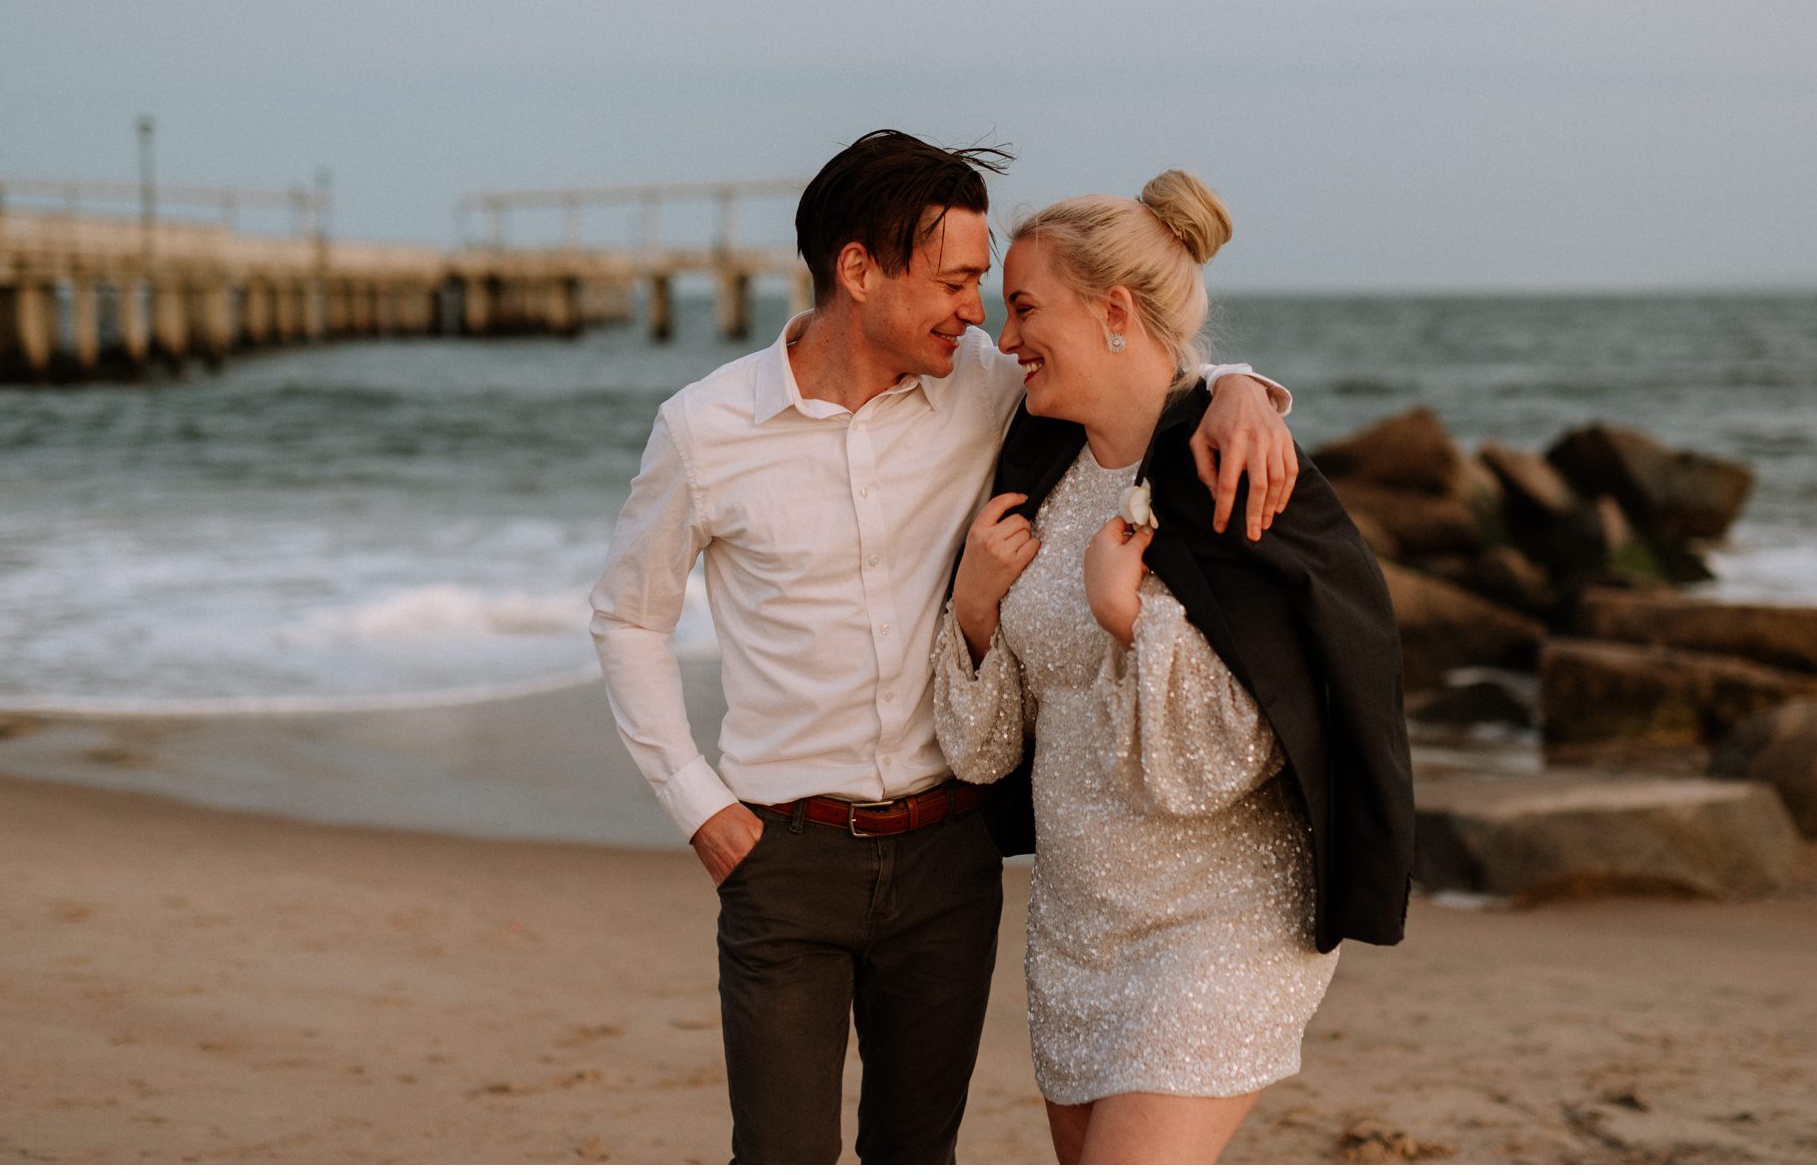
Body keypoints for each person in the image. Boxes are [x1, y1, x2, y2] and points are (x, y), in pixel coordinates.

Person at [588, 131, 1305, 1163]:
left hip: (947, 856)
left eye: (985, 285)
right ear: (858, 270)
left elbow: (1131, 373)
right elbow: (628, 618)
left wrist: (1240, 385)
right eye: (957, 281)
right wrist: (698, 806)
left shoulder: (984, 383)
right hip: (782, 854)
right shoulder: (705, 428)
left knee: (917, 1150)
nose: (979, 313)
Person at [934, 169, 1412, 1164]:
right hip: (1075, 930)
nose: (1005, 337)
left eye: (1025, 307)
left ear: (1113, 310)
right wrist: (974, 610)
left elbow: (1230, 753)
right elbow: (984, 754)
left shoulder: (1233, 468)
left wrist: (1128, 616)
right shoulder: (1038, 462)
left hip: (1221, 921)